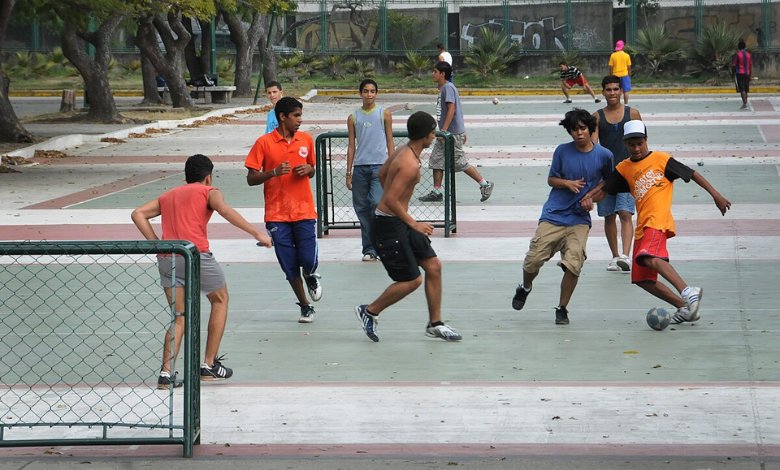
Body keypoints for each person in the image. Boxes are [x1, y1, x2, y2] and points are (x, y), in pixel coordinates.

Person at [131, 154, 273, 390]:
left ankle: (166, 373)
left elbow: (138, 214)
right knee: (220, 299)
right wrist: (257, 233)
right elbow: (225, 211)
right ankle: (208, 364)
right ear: (209, 176)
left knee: (179, 317)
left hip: (169, 257)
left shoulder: (169, 195)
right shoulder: (209, 191)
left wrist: (157, 244)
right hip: (195, 255)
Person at [580, 120, 732, 324]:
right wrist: (588, 197)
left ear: (646, 140)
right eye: (631, 144)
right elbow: (605, 189)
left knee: (648, 257)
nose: (636, 148)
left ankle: (688, 291)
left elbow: (692, 174)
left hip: (658, 221)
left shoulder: (662, 160)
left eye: (640, 143)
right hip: (642, 228)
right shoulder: (624, 168)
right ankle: (684, 307)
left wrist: (716, 195)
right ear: (625, 144)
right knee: (642, 279)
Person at [355, 111, 462, 342]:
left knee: (433, 266)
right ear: (426, 135)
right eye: (433, 132)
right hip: (388, 226)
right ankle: (370, 311)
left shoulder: (403, 150)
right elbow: (392, 200)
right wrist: (413, 223)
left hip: (397, 220)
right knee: (412, 280)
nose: (434, 136)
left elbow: (383, 175)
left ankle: (435, 324)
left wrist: (399, 206)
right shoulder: (410, 163)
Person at [511, 108, 613, 325]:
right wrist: (566, 183)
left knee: (574, 263)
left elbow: (606, 185)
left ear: (590, 129)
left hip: (579, 220)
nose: (579, 133)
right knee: (533, 260)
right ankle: (526, 287)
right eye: (574, 129)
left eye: (583, 128)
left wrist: (591, 199)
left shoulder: (605, 155)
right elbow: (551, 179)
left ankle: (562, 308)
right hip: (554, 215)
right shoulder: (562, 151)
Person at [245, 96, 323, 323]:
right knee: (289, 264)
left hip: (304, 210)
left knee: (307, 258)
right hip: (277, 214)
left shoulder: (306, 140)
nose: (300, 120)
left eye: (301, 115)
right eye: (296, 116)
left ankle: (311, 274)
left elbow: (313, 169)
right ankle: (305, 306)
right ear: (282, 117)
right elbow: (250, 178)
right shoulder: (264, 143)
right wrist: (272, 172)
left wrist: (308, 169)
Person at [419, 61, 494, 203]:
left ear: (442, 74)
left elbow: (452, 109)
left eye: (435, 71)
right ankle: (437, 191)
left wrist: (445, 131)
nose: (432, 74)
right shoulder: (445, 88)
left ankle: (485, 184)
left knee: (460, 162)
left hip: (450, 134)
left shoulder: (448, 88)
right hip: (447, 133)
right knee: (436, 160)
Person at [592, 75, 642, 272]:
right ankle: (614, 256)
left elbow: (642, 144)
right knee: (609, 216)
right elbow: (594, 146)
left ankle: (626, 256)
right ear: (603, 92)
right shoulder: (596, 117)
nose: (612, 93)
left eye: (615, 89)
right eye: (608, 89)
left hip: (629, 173)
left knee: (625, 213)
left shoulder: (633, 113)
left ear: (622, 91)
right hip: (606, 175)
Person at [346, 79, 395, 262]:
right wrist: (349, 172)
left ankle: (382, 244)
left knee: (376, 203)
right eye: (365, 91)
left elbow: (390, 141)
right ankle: (369, 249)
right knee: (362, 209)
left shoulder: (384, 114)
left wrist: (392, 165)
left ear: (376, 93)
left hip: (379, 167)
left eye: (372, 91)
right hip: (360, 168)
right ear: (360, 94)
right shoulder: (353, 117)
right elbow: (351, 145)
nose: (369, 95)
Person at [608, 40, 632, 104]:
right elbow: (629, 67)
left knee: (616, 91)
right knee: (625, 91)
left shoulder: (613, 55)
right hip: (625, 75)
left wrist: (611, 76)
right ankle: (626, 104)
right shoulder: (627, 56)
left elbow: (611, 67)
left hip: (615, 75)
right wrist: (629, 76)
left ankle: (617, 103)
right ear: (623, 47)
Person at [733, 40, 753, 109]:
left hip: (740, 73)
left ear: (738, 47)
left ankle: (745, 104)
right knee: (746, 89)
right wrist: (750, 75)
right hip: (747, 73)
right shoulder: (748, 54)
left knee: (742, 89)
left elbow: (734, 64)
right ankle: (745, 102)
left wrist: (733, 73)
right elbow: (750, 65)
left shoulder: (737, 54)